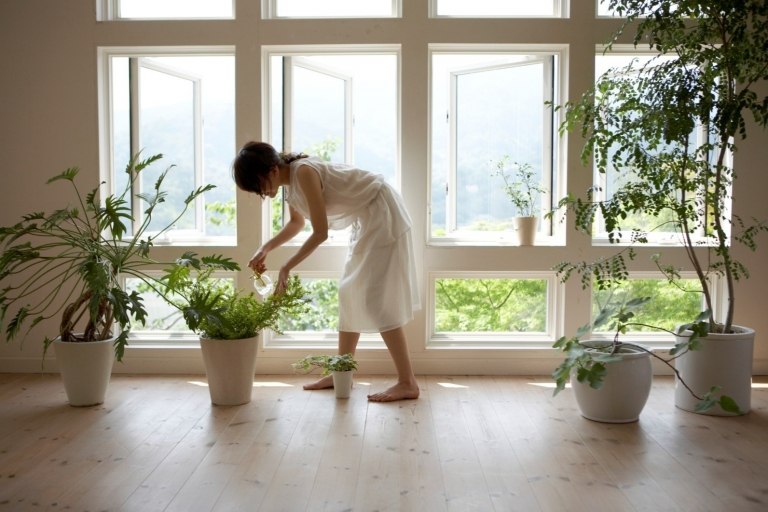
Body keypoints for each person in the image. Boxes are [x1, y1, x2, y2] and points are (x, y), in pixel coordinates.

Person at [233, 142, 420, 402]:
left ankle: (407, 382)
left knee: (375, 300)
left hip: (381, 210)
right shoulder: (291, 186)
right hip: (366, 216)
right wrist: (266, 248)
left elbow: (320, 233)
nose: (261, 193)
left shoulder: (303, 173)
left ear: (273, 170)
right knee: (348, 292)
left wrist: (287, 267)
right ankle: (340, 373)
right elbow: (296, 224)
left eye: (258, 184)